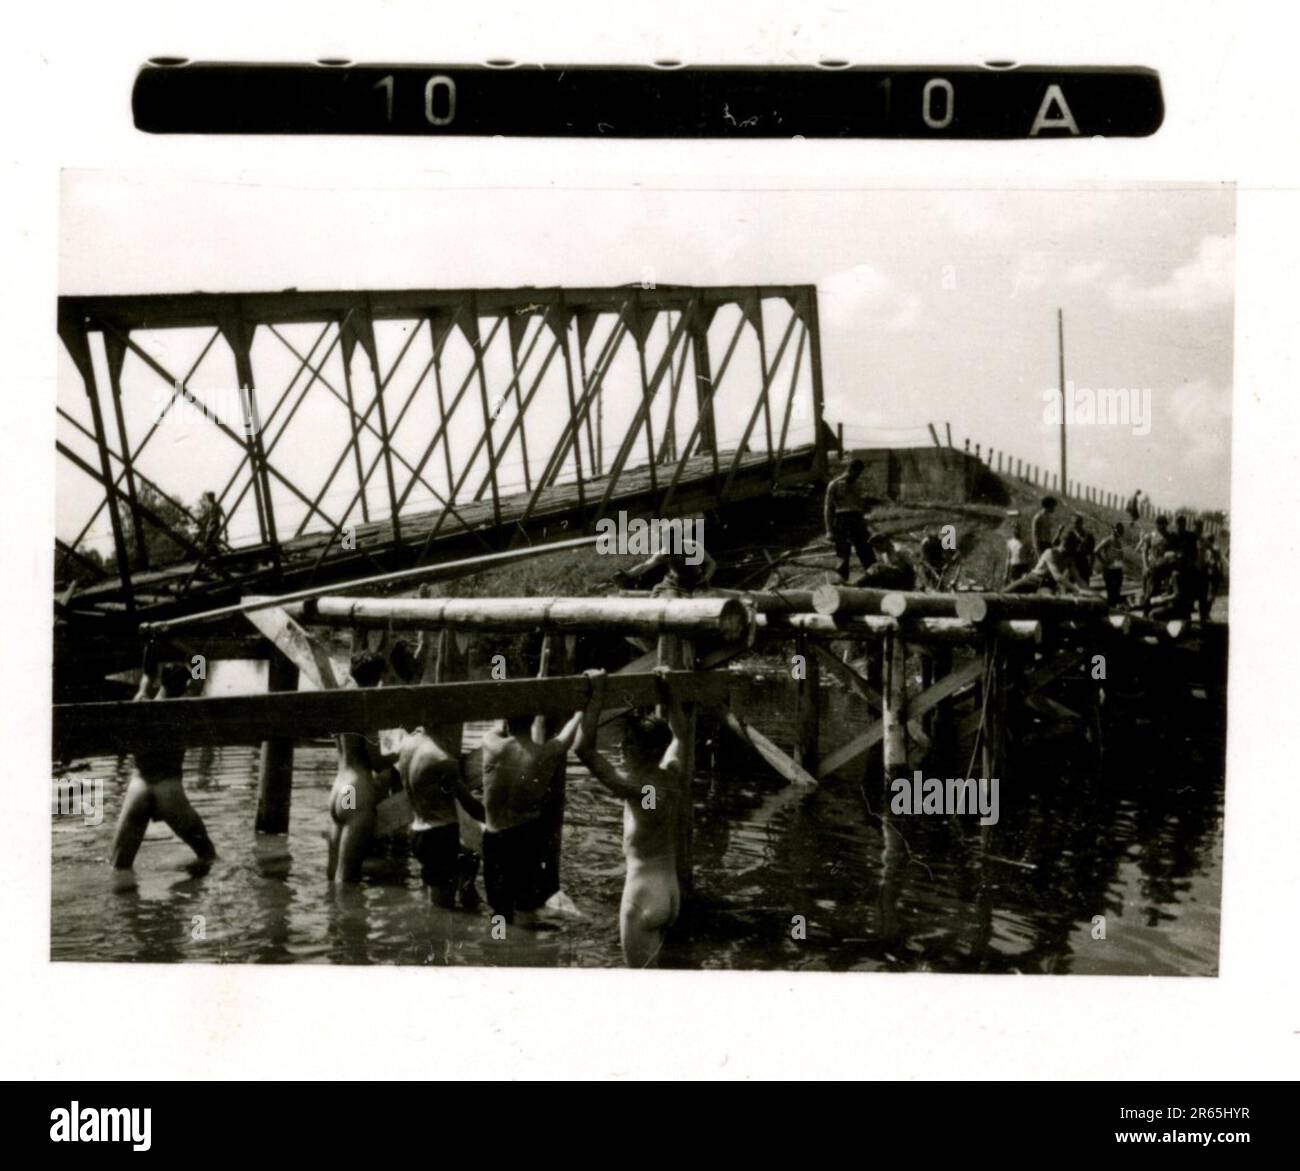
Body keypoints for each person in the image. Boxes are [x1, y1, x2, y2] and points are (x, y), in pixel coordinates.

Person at [576, 667, 688, 968]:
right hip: (669, 892)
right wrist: (670, 692)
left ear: (646, 749)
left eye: (630, 743)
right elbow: (680, 735)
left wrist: (596, 692)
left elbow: (583, 750)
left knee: (639, 984)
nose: (622, 748)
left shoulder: (637, 789)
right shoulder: (671, 774)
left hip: (643, 894)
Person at [388, 637, 482, 908]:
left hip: (418, 830)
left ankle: (465, 892)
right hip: (440, 834)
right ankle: (436, 942)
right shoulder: (442, 759)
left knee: (469, 858)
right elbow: (471, 806)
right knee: (441, 908)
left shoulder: (407, 746)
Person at [110, 646, 216, 873]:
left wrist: (152, 644)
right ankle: (191, 890)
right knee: (208, 855)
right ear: (184, 685)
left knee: (119, 868)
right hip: (170, 791)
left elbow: (147, 675)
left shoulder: (141, 702)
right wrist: (189, 648)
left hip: (139, 788)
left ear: (162, 682)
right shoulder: (184, 706)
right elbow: (200, 674)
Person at [480, 702, 583, 924]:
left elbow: (504, 725)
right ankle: (525, 950)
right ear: (534, 720)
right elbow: (566, 738)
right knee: (525, 908)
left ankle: (497, 946)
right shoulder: (543, 754)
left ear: (506, 721)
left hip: (494, 837)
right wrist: (582, 711)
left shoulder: (490, 743)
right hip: (524, 839)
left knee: (499, 911)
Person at [327, 650, 402, 883]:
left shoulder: (341, 706)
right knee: (348, 879)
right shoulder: (366, 710)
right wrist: (402, 753)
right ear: (378, 677)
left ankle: (330, 919)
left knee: (332, 875)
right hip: (357, 793)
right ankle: (347, 918)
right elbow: (377, 761)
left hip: (339, 789)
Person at [613, 533, 716, 597]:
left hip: (695, 581)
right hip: (673, 582)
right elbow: (645, 566)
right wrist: (628, 573)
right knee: (659, 597)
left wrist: (706, 577)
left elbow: (711, 563)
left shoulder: (692, 547)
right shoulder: (665, 552)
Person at [824, 457, 875, 581]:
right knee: (842, 554)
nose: (857, 475)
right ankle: (842, 583)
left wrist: (864, 520)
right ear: (849, 469)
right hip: (842, 521)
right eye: (856, 472)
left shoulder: (858, 484)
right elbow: (828, 509)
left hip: (857, 520)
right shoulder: (834, 484)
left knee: (866, 550)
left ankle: (875, 578)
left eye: (859, 473)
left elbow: (861, 505)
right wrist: (829, 530)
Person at [1004, 532, 1098, 596]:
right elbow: (1058, 576)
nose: (1073, 550)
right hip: (1033, 580)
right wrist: (1078, 590)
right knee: (1004, 593)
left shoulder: (1069, 557)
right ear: (1065, 544)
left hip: (1047, 584)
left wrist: (1090, 591)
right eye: (1071, 547)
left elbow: (1078, 578)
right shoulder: (1051, 553)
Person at [1093, 522, 1127, 606]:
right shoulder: (1108, 540)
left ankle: (1113, 609)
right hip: (1110, 570)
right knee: (1111, 593)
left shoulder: (1118, 542)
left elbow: (1120, 555)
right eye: (1118, 531)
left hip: (1117, 570)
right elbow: (1096, 550)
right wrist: (1104, 562)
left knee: (1116, 593)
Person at [1004, 519, 1033, 585]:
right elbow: (1008, 558)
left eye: (1017, 528)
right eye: (1014, 528)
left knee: (1023, 586)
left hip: (1023, 566)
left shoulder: (1026, 542)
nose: (1016, 530)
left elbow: (1030, 556)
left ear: (1020, 530)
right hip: (1014, 566)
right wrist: (1006, 574)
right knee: (1013, 585)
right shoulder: (1010, 542)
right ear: (1012, 530)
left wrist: (1030, 569)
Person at [1030, 496, 1058, 561]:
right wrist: (1037, 551)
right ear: (1049, 505)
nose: (1054, 508)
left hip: (1048, 544)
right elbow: (1035, 534)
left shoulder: (1048, 517)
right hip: (1041, 545)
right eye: (1053, 506)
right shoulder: (1038, 517)